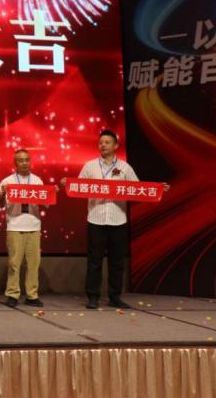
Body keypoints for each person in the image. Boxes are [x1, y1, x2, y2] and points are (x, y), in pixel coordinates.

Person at [70, 129, 139, 310]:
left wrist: (157, 189)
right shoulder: (90, 166)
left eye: (107, 142)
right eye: (101, 142)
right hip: (96, 219)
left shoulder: (125, 167)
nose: (103, 145)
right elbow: (78, 186)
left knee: (117, 261)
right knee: (95, 261)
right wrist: (68, 184)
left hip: (118, 219)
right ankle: (93, 296)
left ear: (116, 145)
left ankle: (115, 297)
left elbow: (138, 189)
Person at [0, 148, 46, 308]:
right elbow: (0, 205)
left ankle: (32, 295)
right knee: (14, 263)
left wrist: (51, 194)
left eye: (27, 160)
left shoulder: (37, 181)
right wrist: (2, 195)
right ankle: (13, 294)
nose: (24, 163)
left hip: (34, 225)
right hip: (15, 225)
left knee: (33, 263)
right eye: (21, 160)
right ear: (15, 163)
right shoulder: (7, 182)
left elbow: (46, 203)